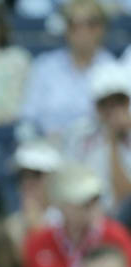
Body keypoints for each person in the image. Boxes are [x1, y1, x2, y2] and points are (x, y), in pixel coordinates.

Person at [24, 163, 131, 267]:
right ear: (62, 204)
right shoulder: (39, 243)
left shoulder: (115, 236)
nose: (90, 207)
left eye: (94, 200)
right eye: (83, 201)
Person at [19, 0, 116, 145]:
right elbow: (28, 119)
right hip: (48, 150)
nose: (82, 31)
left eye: (91, 23)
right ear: (65, 29)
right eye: (74, 24)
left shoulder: (114, 70)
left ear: (102, 28)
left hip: (97, 150)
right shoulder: (45, 67)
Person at [64, 62, 131, 214]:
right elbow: (70, 187)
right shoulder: (80, 136)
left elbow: (126, 198)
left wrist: (114, 142)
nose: (113, 110)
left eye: (119, 102)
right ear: (97, 107)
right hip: (86, 215)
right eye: (106, 104)